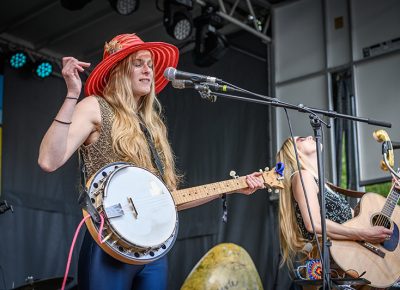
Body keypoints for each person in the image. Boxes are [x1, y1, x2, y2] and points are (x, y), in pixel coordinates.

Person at [38, 33, 265, 290]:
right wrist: (72, 94)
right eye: (138, 63)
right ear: (119, 70)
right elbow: (48, 160)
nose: (148, 70)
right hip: (108, 246)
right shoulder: (95, 107)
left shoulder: (152, 126)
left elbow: (170, 200)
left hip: (152, 252)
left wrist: (233, 187)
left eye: (150, 64)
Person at [276, 136, 393, 272]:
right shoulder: (302, 176)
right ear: (295, 152)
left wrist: (393, 192)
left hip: (350, 255)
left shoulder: (322, 184)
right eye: (301, 139)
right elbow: (314, 224)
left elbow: (355, 221)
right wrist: (363, 233)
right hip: (334, 262)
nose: (309, 136)